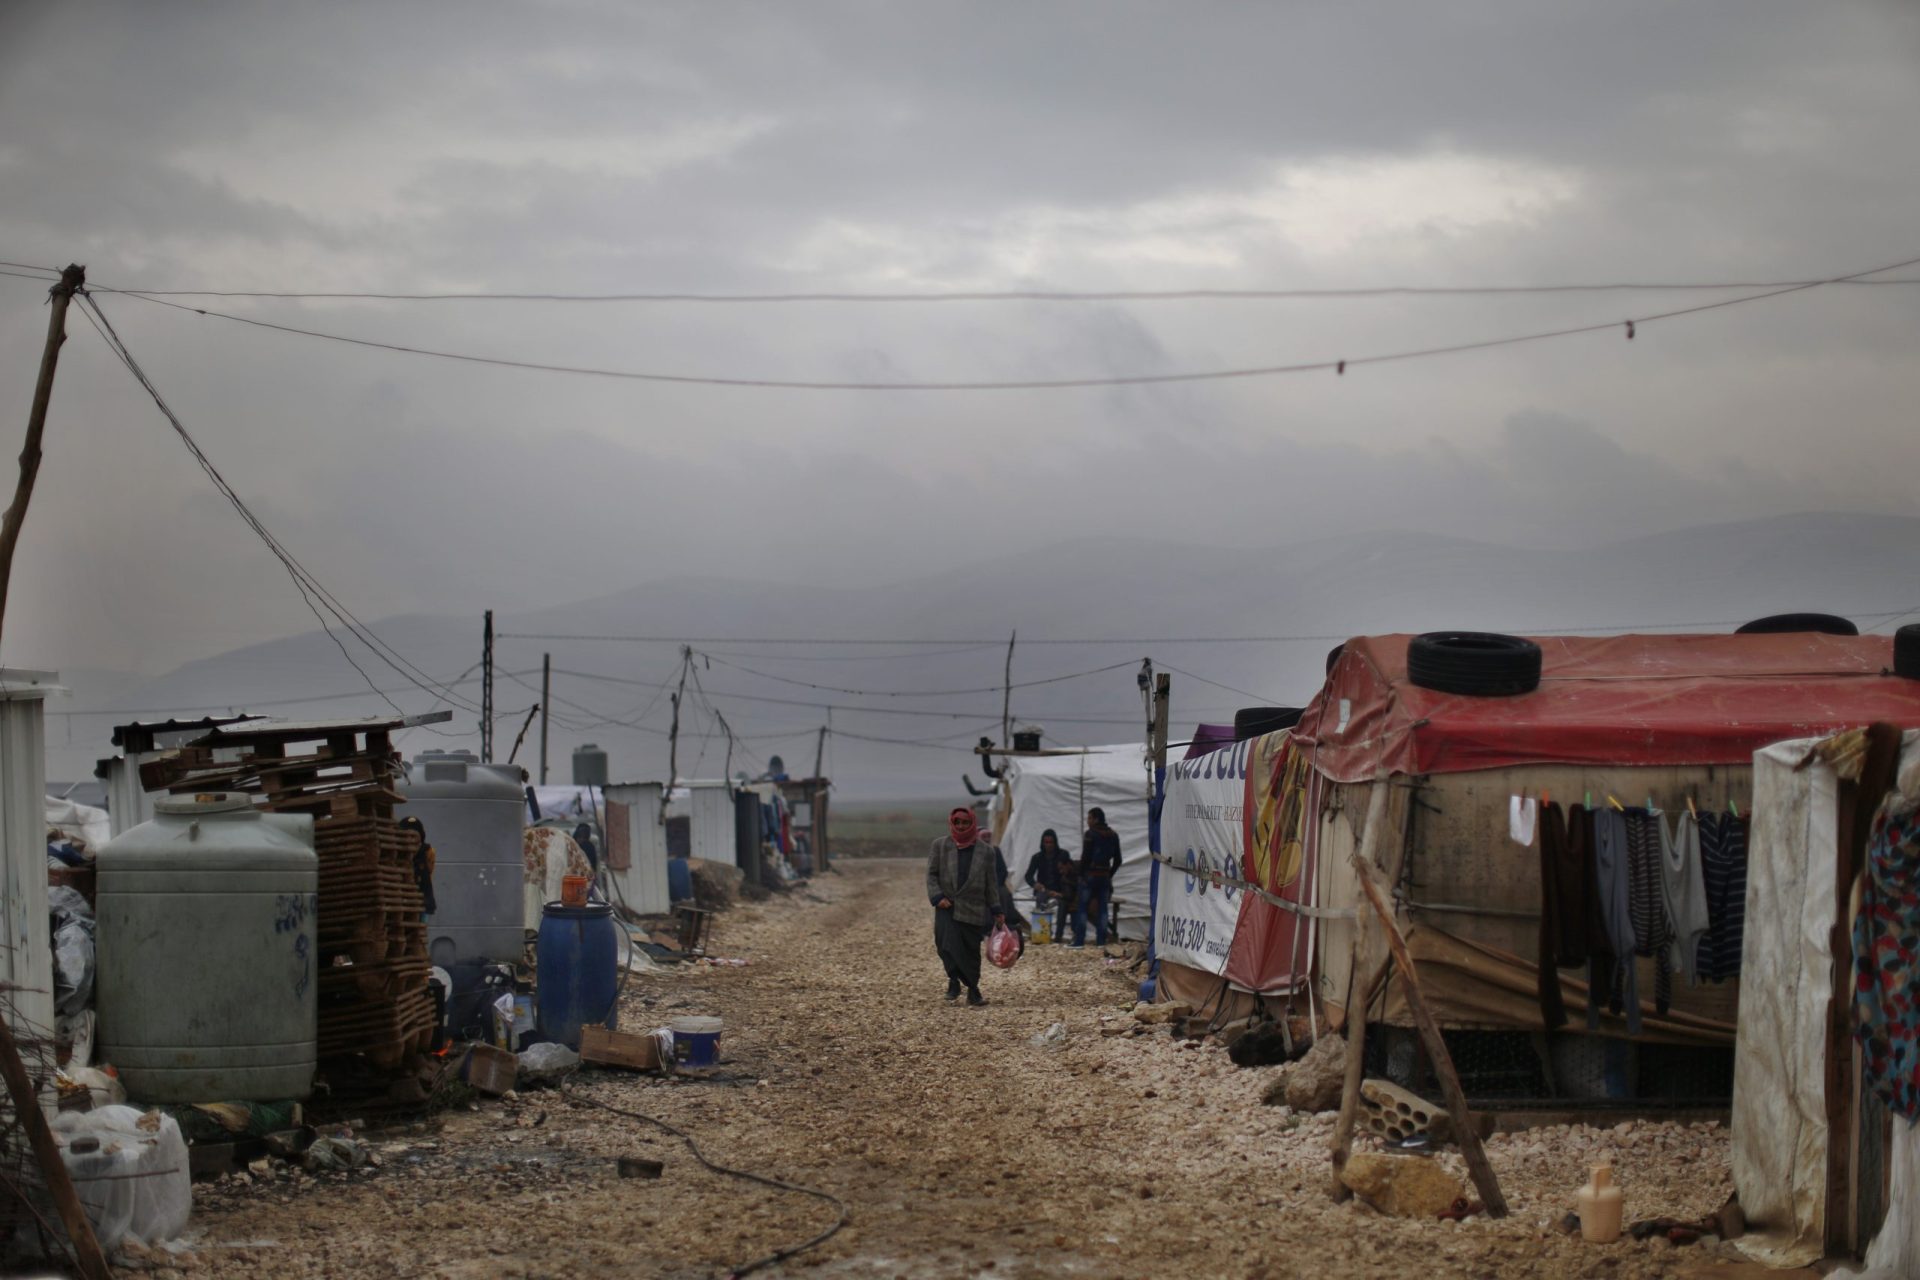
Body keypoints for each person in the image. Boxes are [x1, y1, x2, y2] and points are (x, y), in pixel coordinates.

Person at [927, 806, 1009, 1006]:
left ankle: (973, 990)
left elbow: (991, 883)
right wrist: (938, 897)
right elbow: (932, 874)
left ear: (972, 823)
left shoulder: (986, 851)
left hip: (973, 908)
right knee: (946, 946)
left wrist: (997, 910)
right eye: (957, 822)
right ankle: (953, 981)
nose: (961, 826)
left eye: (965, 822)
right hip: (947, 906)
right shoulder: (940, 846)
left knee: (971, 951)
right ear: (952, 823)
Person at [1073, 807, 1122, 947]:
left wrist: (1081, 875)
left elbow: (1085, 857)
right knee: (1103, 910)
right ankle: (1101, 941)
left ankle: (1079, 941)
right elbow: (1118, 860)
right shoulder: (1113, 835)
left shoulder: (1090, 834)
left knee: (1082, 908)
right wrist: (1109, 874)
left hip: (1090, 876)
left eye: (1089, 818)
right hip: (1104, 877)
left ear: (1096, 819)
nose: (1088, 821)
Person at [1023, 828, 1077, 942]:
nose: (1048, 845)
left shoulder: (1063, 854)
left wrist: (1062, 891)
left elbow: (1070, 872)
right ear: (1042, 843)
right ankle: (1042, 935)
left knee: (1063, 905)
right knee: (1040, 901)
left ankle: (1058, 936)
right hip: (1044, 889)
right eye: (1046, 842)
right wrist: (1035, 884)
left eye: (1051, 842)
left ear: (1055, 843)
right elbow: (1028, 876)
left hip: (1060, 889)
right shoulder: (1037, 857)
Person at [400, 815, 437, 919]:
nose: (411, 839)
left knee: (420, 924)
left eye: (414, 836)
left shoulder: (428, 852)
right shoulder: (397, 852)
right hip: (401, 897)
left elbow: (429, 873)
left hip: (422, 896)